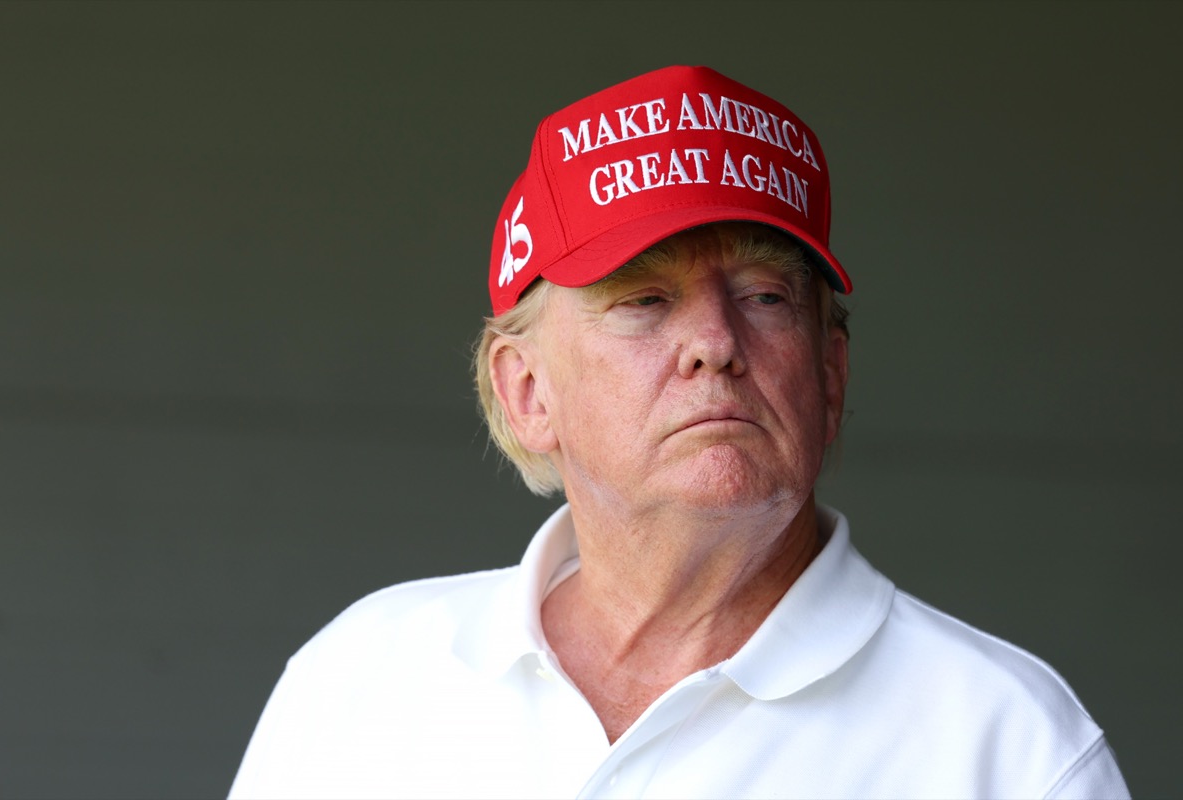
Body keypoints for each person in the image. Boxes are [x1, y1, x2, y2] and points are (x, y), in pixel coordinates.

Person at [228, 66, 1129, 799]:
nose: (716, 345)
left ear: (830, 371)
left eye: (765, 296)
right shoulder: (363, 678)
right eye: (645, 301)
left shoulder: (1012, 751)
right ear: (528, 390)